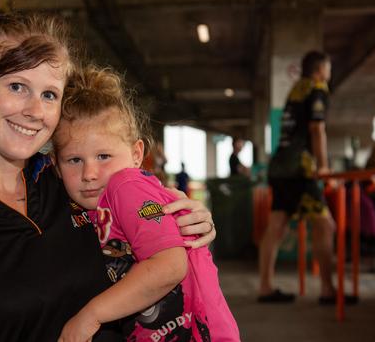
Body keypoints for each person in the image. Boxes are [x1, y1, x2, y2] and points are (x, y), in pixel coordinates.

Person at [0, 12, 216, 342]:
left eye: (49, 94)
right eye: (17, 86)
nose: (35, 111)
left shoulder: (77, 181)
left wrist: (185, 218)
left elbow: (152, 227)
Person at [54, 65, 239, 341]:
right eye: (74, 160)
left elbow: (170, 266)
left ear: (136, 154)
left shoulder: (125, 186)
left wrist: (90, 315)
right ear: (55, 166)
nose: (89, 173)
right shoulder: (96, 206)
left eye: (104, 156)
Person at [258, 51, 349, 304]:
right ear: (320, 70)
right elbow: (317, 128)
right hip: (300, 168)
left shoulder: (296, 89)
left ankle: (265, 287)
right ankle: (328, 291)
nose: (328, 74)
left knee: (276, 225)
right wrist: (323, 165)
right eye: (328, 69)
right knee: (325, 225)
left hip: (279, 166)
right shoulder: (318, 88)